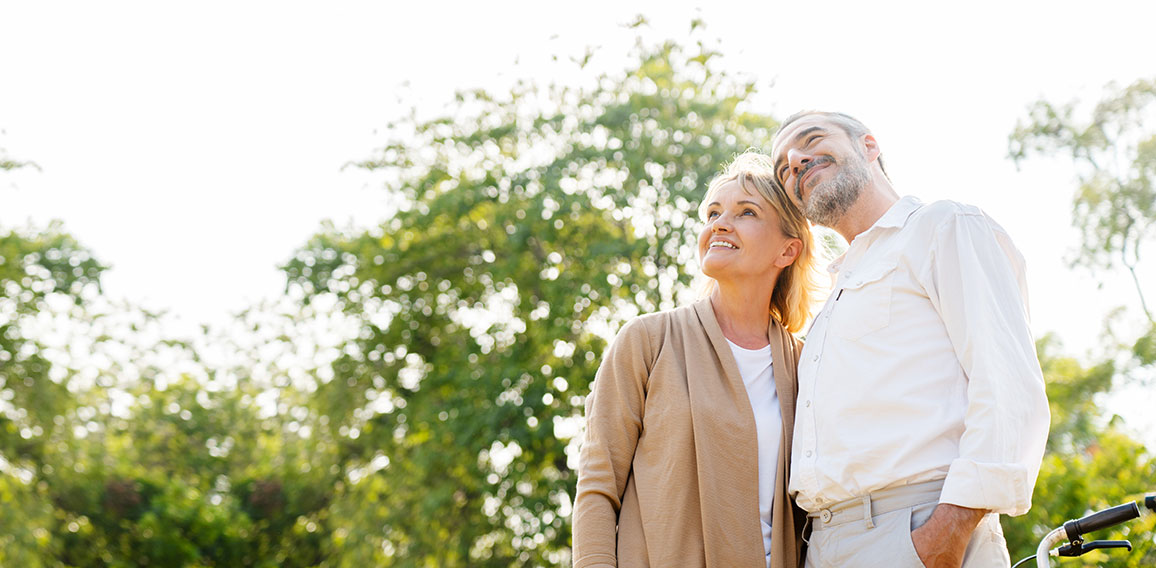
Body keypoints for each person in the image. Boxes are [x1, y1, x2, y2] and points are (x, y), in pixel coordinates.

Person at [769, 110, 1051, 568]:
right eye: (783, 167)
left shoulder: (943, 226)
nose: (795, 161)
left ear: (869, 145)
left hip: (918, 531)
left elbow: (1007, 382)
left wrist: (947, 532)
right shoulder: (830, 302)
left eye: (811, 140)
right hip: (822, 544)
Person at [572, 152, 817, 568]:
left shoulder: (805, 363)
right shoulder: (648, 341)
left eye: (746, 212)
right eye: (714, 213)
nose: (720, 224)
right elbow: (598, 484)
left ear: (787, 251)